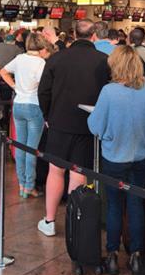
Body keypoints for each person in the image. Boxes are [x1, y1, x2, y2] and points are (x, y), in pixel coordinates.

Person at [37, 19, 110, 237]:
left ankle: (49, 220)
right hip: (87, 125)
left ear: (74, 35)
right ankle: (74, 223)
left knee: (55, 171)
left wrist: (47, 115)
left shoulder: (56, 58)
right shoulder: (103, 60)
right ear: (94, 36)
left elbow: (43, 91)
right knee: (78, 173)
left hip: (59, 122)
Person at [87, 45, 145, 275]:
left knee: (114, 206)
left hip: (114, 156)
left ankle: (113, 254)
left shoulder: (109, 91)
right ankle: (136, 255)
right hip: (141, 155)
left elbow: (95, 126)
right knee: (136, 204)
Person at [0, 32, 49, 198]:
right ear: (41, 45)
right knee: (31, 149)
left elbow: (3, 71)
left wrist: (15, 86)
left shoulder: (20, 58)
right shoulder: (41, 63)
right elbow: (44, 86)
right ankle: (29, 186)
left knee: (20, 146)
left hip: (18, 105)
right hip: (34, 106)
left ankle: (21, 184)